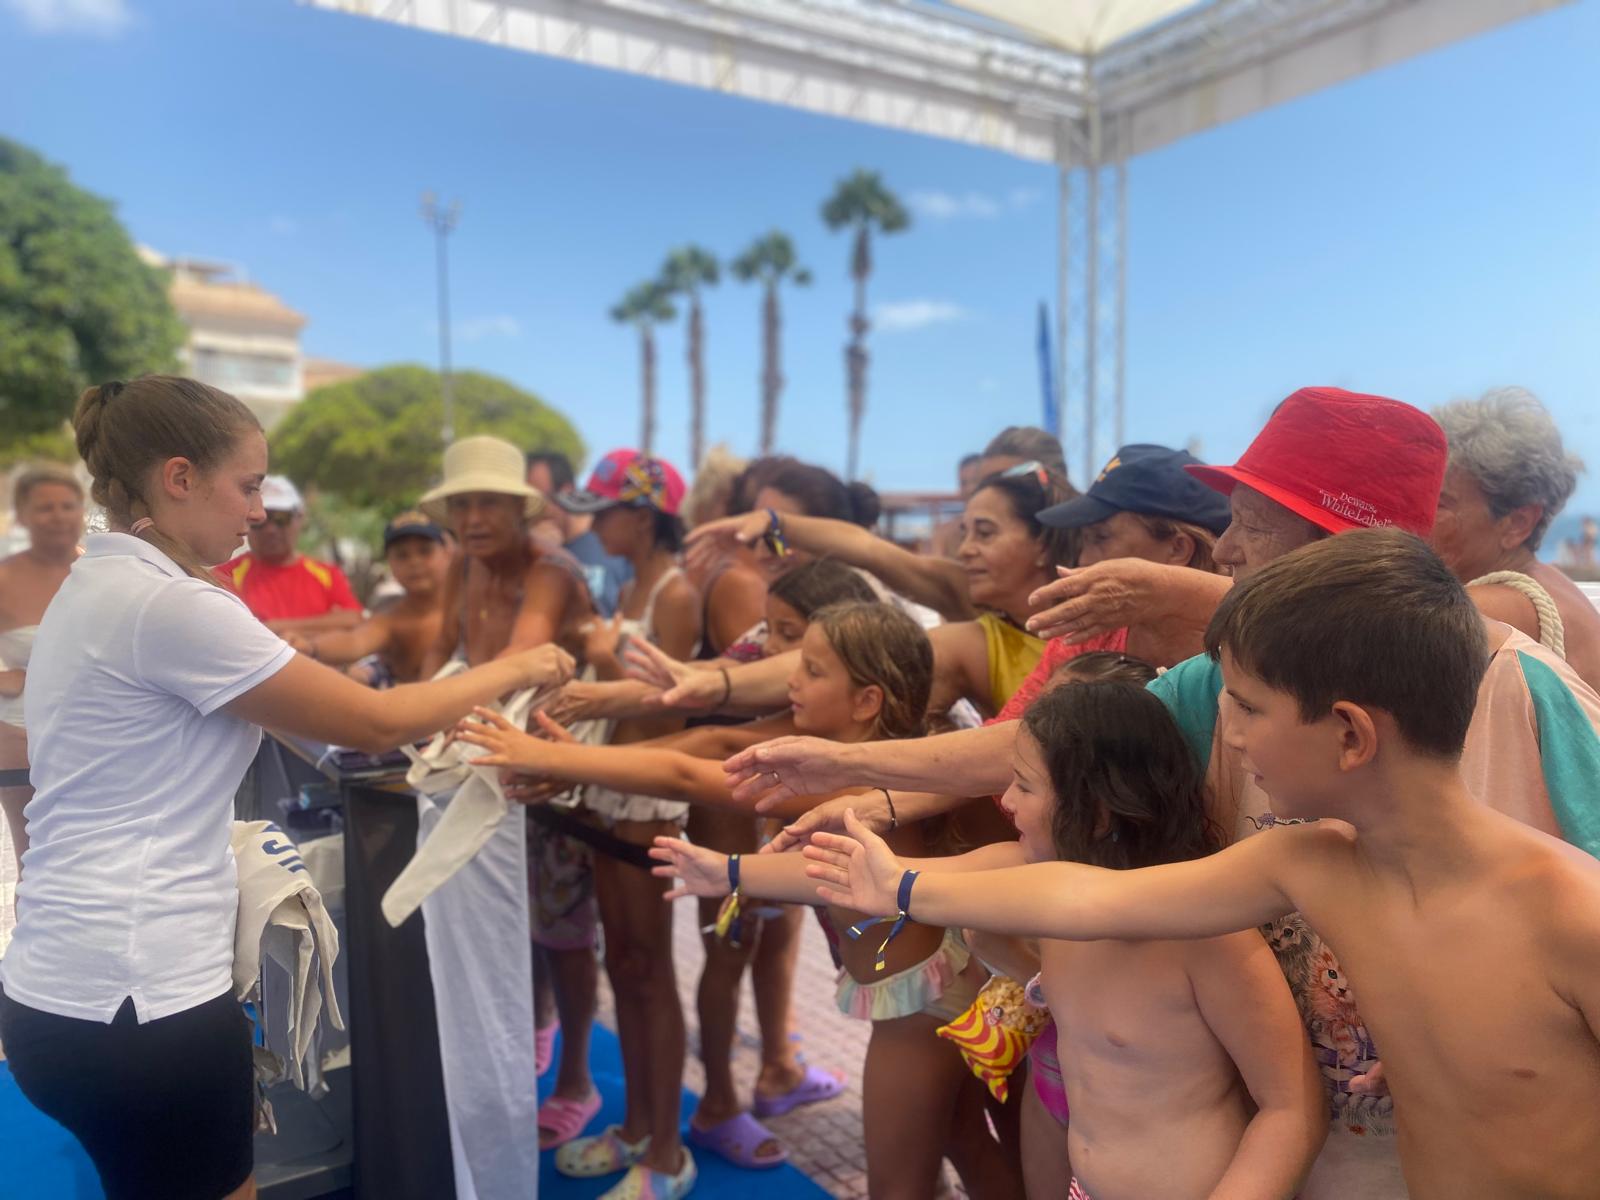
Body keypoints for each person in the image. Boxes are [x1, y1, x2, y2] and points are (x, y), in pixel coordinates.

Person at [727, 386, 1600, 1198]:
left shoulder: (1529, 709)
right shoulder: (1299, 839)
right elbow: (1068, 791)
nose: (1224, 548)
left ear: (1340, 558)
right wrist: (872, 797)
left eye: (1251, 527)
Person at [0, 376, 573, 1200]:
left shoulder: (93, 590)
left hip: (57, 992)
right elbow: (375, 723)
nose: (259, 510)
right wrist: (523, 665)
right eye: (248, 483)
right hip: (143, 998)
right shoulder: (170, 606)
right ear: (178, 478)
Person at [464, 601, 1022, 1200]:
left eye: (811, 669)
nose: (790, 680)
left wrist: (551, 757)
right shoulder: (868, 756)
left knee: (897, 1186)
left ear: (867, 702)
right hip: (934, 994)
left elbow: (687, 778)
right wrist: (725, 869)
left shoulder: (855, 781)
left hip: (916, 1019)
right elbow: (732, 777)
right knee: (965, 1139)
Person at [417, 435, 601, 1165]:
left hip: (562, 770)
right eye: (461, 502)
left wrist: (431, 713)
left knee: (566, 934)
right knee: (511, 921)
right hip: (488, 761)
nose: (473, 515)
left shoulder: (551, 569)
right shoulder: (461, 566)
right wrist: (419, 719)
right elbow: (441, 653)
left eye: (488, 500)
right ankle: (530, 1032)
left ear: (518, 507)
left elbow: (521, 661)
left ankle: (579, 1078)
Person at [545, 448, 703, 1200]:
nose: (591, 520)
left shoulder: (673, 590)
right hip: (614, 797)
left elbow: (668, 699)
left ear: (641, 514)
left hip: (649, 804)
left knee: (649, 973)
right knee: (627, 967)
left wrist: (603, 661)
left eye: (603, 509)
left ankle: (667, 1153)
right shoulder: (635, 581)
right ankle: (639, 1126)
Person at [688, 462, 1076, 717]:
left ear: (1042, 542)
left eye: (985, 533)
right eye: (966, 532)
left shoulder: (1102, 623)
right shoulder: (966, 595)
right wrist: (774, 521)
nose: (966, 549)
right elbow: (871, 549)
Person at [1430, 387, 1600, 691]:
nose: (1418, 517)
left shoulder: (1486, 611)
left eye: (1440, 504)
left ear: (1518, 523)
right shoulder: (1552, 583)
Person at [0, 465, 84, 872]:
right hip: (21, 745)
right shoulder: (3, 579)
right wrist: (3, 680)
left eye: (67, 506)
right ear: (23, 515)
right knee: (35, 870)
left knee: (92, 868)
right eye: (45, 507)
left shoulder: (102, 574)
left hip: (98, 743)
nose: (58, 516)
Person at [285, 511, 450, 685]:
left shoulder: (470, 605)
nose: (414, 562)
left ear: (447, 553)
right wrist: (310, 646)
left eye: (425, 551)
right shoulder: (391, 619)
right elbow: (355, 641)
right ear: (391, 563)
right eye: (402, 555)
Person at [216, 475, 362, 635]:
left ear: (300, 518)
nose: (271, 529)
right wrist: (323, 626)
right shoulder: (223, 577)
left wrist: (275, 627)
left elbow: (354, 621)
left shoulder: (327, 574)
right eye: (260, 521)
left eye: (281, 518)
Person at [528, 449, 633, 620]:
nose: (532, 511)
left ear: (566, 491)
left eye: (540, 499)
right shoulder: (531, 551)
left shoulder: (615, 545)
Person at [931, 452, 984, 558]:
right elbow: (935, 570)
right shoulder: (944, 533)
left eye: (975, 481)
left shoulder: (1002, 529)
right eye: (963, 483)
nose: (969, 488)